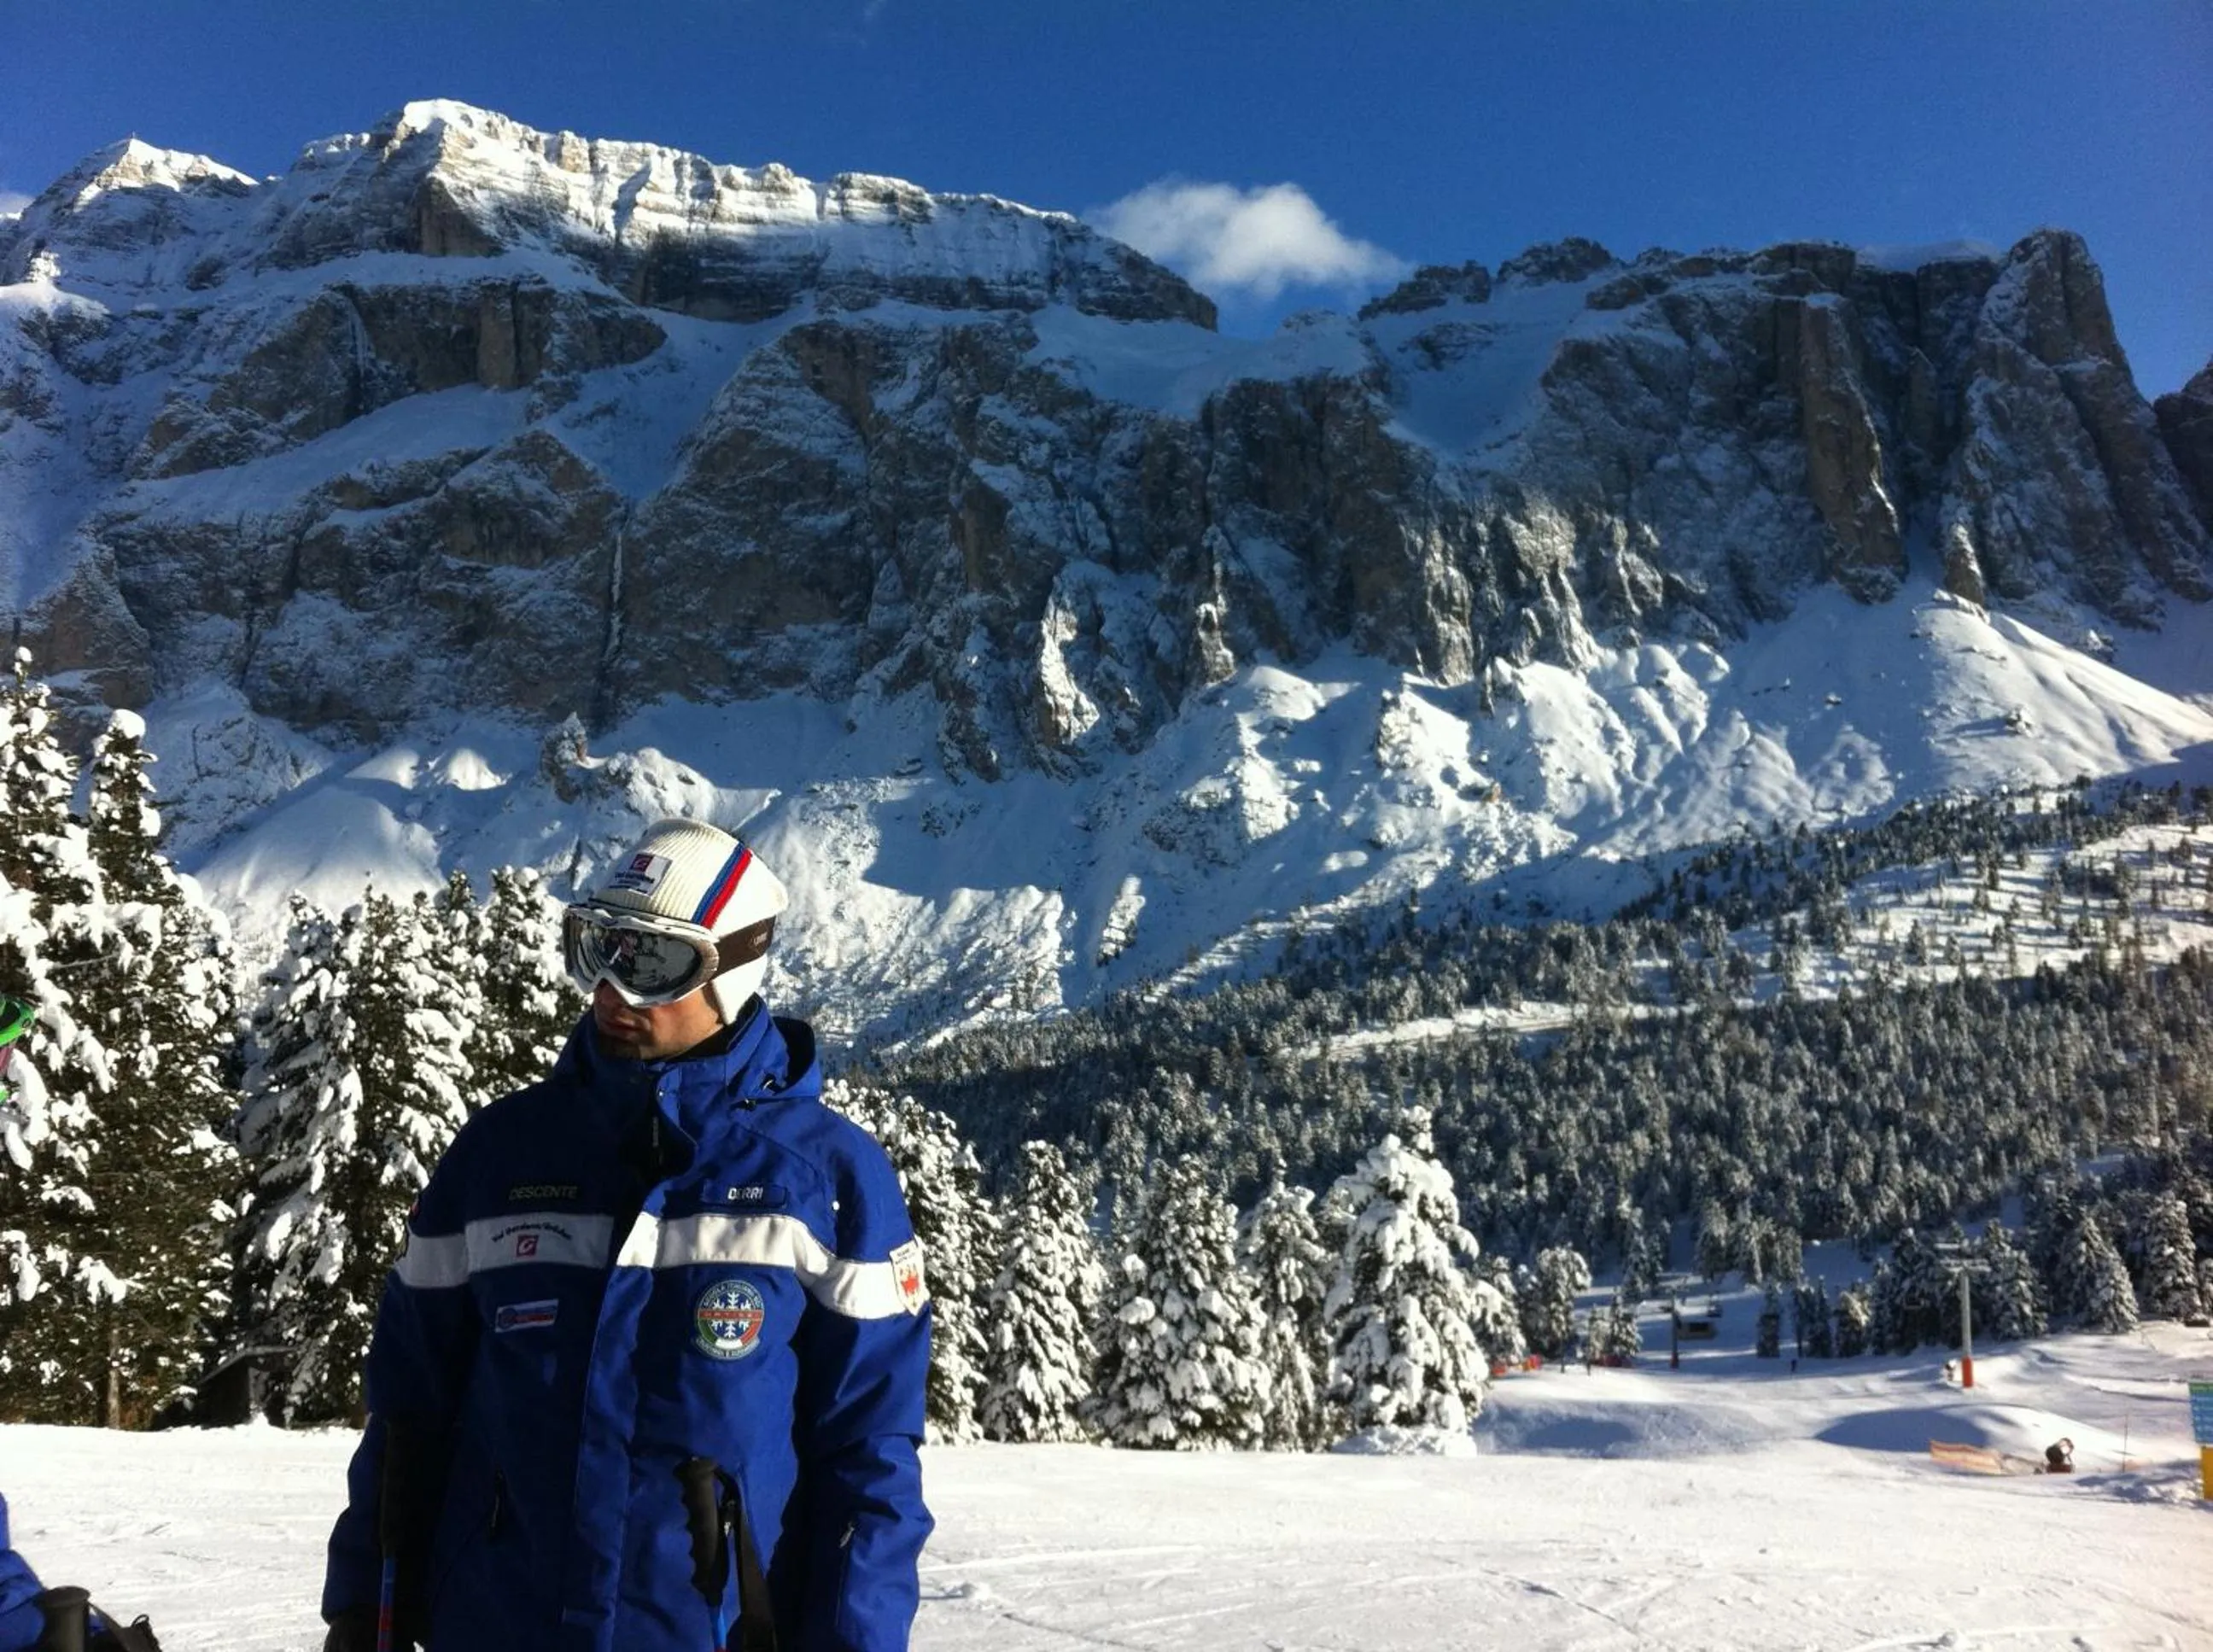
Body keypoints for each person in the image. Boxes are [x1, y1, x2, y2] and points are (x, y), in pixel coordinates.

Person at [320, 820, 932, 1651]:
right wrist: (365, 1605)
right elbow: (406, 1412)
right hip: (500, 1624)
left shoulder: (825, 1180)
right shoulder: (500, 1157)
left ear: (730, 969)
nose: (611, 989)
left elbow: (869, 1455)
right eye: (596, 950)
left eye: (650, 963)